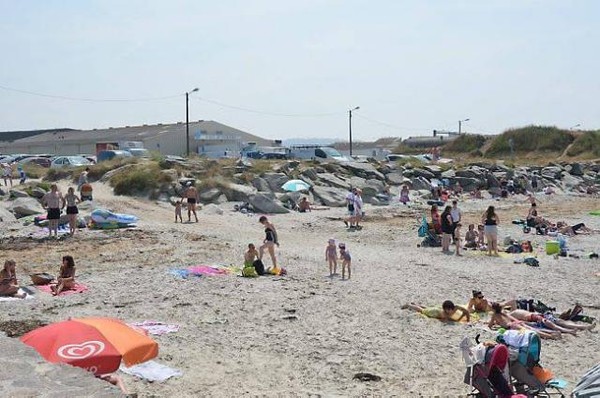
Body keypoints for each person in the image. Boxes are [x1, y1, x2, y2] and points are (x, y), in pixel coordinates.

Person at [488, 303, 560, 339]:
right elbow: (511, 318)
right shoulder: (503, 312)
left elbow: (489, 326)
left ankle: (551, 336)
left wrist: (495, 325)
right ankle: (553, 332)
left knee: (532, 331)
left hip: (512, 326)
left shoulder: (494, 315)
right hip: (516, 322)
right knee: (533, 329)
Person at [509, 309, 580, 336]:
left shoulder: (511, 313)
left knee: (558, 323)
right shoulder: (511, 315)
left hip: (537, 316)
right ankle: (570, 331)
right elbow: (521, 322)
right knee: (556, 325)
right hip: (535, 317)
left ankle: (571, 330)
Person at [402, 300, 470, 322]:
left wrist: (467, 319)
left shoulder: (456, 307)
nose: (449, 311)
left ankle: (415, 304)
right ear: (445, 309)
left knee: (427, 308)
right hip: (435, 312)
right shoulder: (443, 314)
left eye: (450, 309)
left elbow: (466, 312)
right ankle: (409, 305)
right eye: (447, 310)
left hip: (438, 309)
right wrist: (459, 319)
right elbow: (446, 319)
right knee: (423, 310)